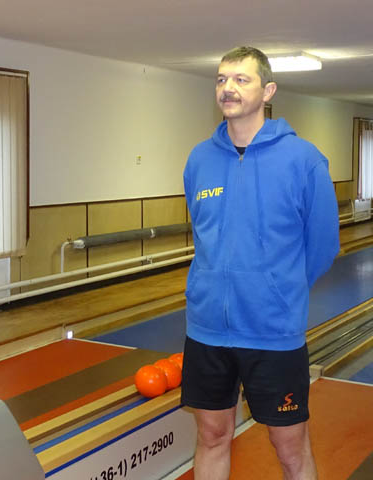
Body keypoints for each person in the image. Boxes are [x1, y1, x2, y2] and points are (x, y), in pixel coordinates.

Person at [181, 47, 339, 480]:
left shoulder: (303, 160)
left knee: (290, 446)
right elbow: (203, 234)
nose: (228, 88)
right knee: (212, 434)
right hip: (207, 329)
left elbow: (323, 245)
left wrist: (278, 290)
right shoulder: (199, 159)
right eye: (221, 79)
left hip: (273, 332)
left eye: (241, 79)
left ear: (268, 91)